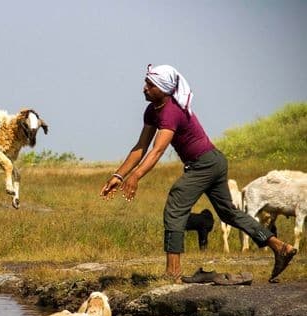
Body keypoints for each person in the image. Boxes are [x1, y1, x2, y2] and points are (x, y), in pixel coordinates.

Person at [100, 64, 297, 283]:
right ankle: (280, 247)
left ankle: (172, 273)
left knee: (176, 204)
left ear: (163, 89)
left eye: (150, 84)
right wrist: (118, 176)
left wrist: (136, 176)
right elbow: (141, 147)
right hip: (212, 161)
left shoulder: (171, 111)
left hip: (205, 163)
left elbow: (158, 150)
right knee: (228, 214)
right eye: (146, 83)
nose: (144, 88)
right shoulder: (152, 110)